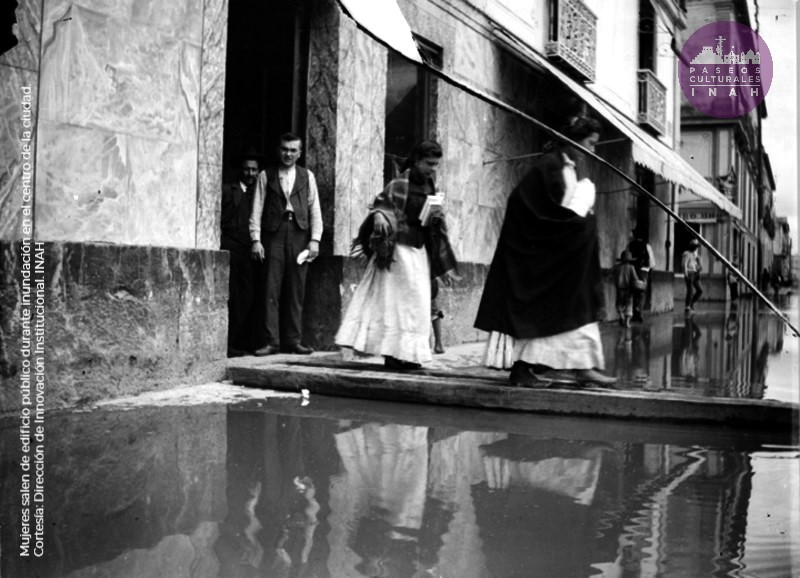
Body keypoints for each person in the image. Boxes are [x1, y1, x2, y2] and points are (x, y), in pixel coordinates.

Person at [475, 116, 616, 388]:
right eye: (590, 143)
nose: (593, 149)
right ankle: (524, 369)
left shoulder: (568, 168)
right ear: (574, 140)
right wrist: (577, 226)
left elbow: (562, 211)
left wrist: (579, 223)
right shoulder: (549, 166)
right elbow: (525, 204)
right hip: (544, 256)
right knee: (551, 313)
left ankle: (583, 366)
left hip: (564, 259)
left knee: (575, 307)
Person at [336, 140, 458, 370]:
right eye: (429, 163)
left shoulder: (430, 187)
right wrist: (380, 215)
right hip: (398, 252)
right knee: (396, 304)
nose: (432, 169)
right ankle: (392, 355)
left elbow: (431, 221)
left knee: (417, 304)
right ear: (417, 160)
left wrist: (436, 217)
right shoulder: (400, 183)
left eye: (436, 165)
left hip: (419, 252)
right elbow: (381, 205)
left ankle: (409, 355)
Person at [250, 133, 323, 355]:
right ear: (278, 150)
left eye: (293, 150)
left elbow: (314, 209)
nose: (288, 154)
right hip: (274, 233)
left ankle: (293, 340)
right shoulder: (266, 175)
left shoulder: (307, 176)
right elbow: (257, 208)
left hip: (299, 234)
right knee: (270, 288)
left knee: (296, 288)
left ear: (300, 153)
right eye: (284, 149)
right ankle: (271, 341)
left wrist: (315, 240)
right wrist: (256, 239)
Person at [221, 147, 264, 357]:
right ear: (240, 170)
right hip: (231, 250)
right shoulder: (228, 191)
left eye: (254, 170)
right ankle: (228, 343)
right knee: (232, 296)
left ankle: (244, 341)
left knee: (248, 298)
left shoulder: (260, 194)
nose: (250, 174)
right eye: (247, 169)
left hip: (251, 253)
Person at [627, 229, 654, 322]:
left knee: (634, 291)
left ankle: (634, 311)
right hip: (644, 271)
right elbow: (651, 262)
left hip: (633, 270)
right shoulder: (647, 246)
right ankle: (640, 310)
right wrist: (649, 269)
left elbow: (627, 257)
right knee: (642, 292)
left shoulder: (630, 245)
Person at [613, 250, 640, 328]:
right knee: (629, 305)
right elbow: (635, 279)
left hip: (619, 289)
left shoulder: (617, 267)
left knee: (619, 304)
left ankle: (621, 316)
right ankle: (627, 322)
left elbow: (610, 273)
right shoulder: (631, 267)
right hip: (628, 289)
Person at [681, 238, 703, 312]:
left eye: (696, 247)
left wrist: (698, 262)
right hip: (690, 273)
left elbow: (698, 266)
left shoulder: (695, 255)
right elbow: (684, 265)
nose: (696, 248)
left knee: (700, 290)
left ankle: (691, 303)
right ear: (691, 247)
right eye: (695, 247)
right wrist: (686, 274)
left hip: (695, 274)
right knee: (690, 290)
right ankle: (687, 307)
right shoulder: (686, 254)